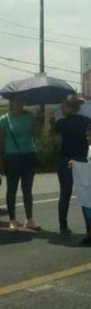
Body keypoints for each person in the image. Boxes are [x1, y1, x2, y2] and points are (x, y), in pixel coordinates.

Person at [51, 95, 91, 235]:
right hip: (81, 159)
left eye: (64, 107)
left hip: (65, 159)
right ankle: (89, 227)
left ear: (70, 107)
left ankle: (63, 226)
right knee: (84, 194)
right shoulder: (87, 121)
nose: (62, 110)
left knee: (65, 194)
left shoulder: (61, 123)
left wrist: (52, 123)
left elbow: (53, 135)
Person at [0, 94, 42, 231]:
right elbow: (0, 143)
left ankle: (29, 219)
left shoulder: (29, 117)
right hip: (12, 157)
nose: (20, 104)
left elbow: (36, 134)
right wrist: (1, 161)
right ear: (11, 103)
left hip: (28, 155)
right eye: (17, 101)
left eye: (22, 101)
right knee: (12, 189)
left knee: (27, 189)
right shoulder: (4, 119)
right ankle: (12, 219)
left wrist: (38, 119)